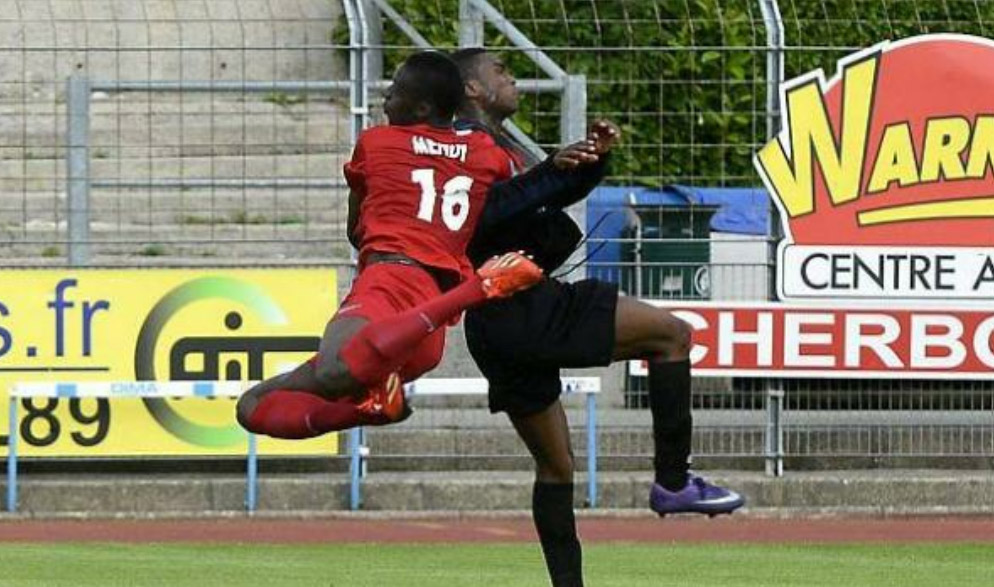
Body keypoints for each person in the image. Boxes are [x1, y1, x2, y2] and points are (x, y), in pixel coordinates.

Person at [452, 48, 746, 587]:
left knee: (557, 468)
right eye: (499, 70)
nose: (511, 76)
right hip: (526, 308)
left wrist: (589, 163)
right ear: (472, 89)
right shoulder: (465, 145)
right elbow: (486, 212)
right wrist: (550, 170)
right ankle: (674, 482)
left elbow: (531, 198)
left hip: (496, 326)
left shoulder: (496, 144)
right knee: (673, 335)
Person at [235, 51, 550, 440]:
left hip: (390, 281)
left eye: (395, 91)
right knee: (252, 405)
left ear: (420, 106)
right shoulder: (488, 155)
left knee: (330, 372)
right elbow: (511, 191)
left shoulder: (377, 142)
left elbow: (356, 230)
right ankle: (371, 410)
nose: (386, 96)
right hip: (428, 320)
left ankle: (477, 289)